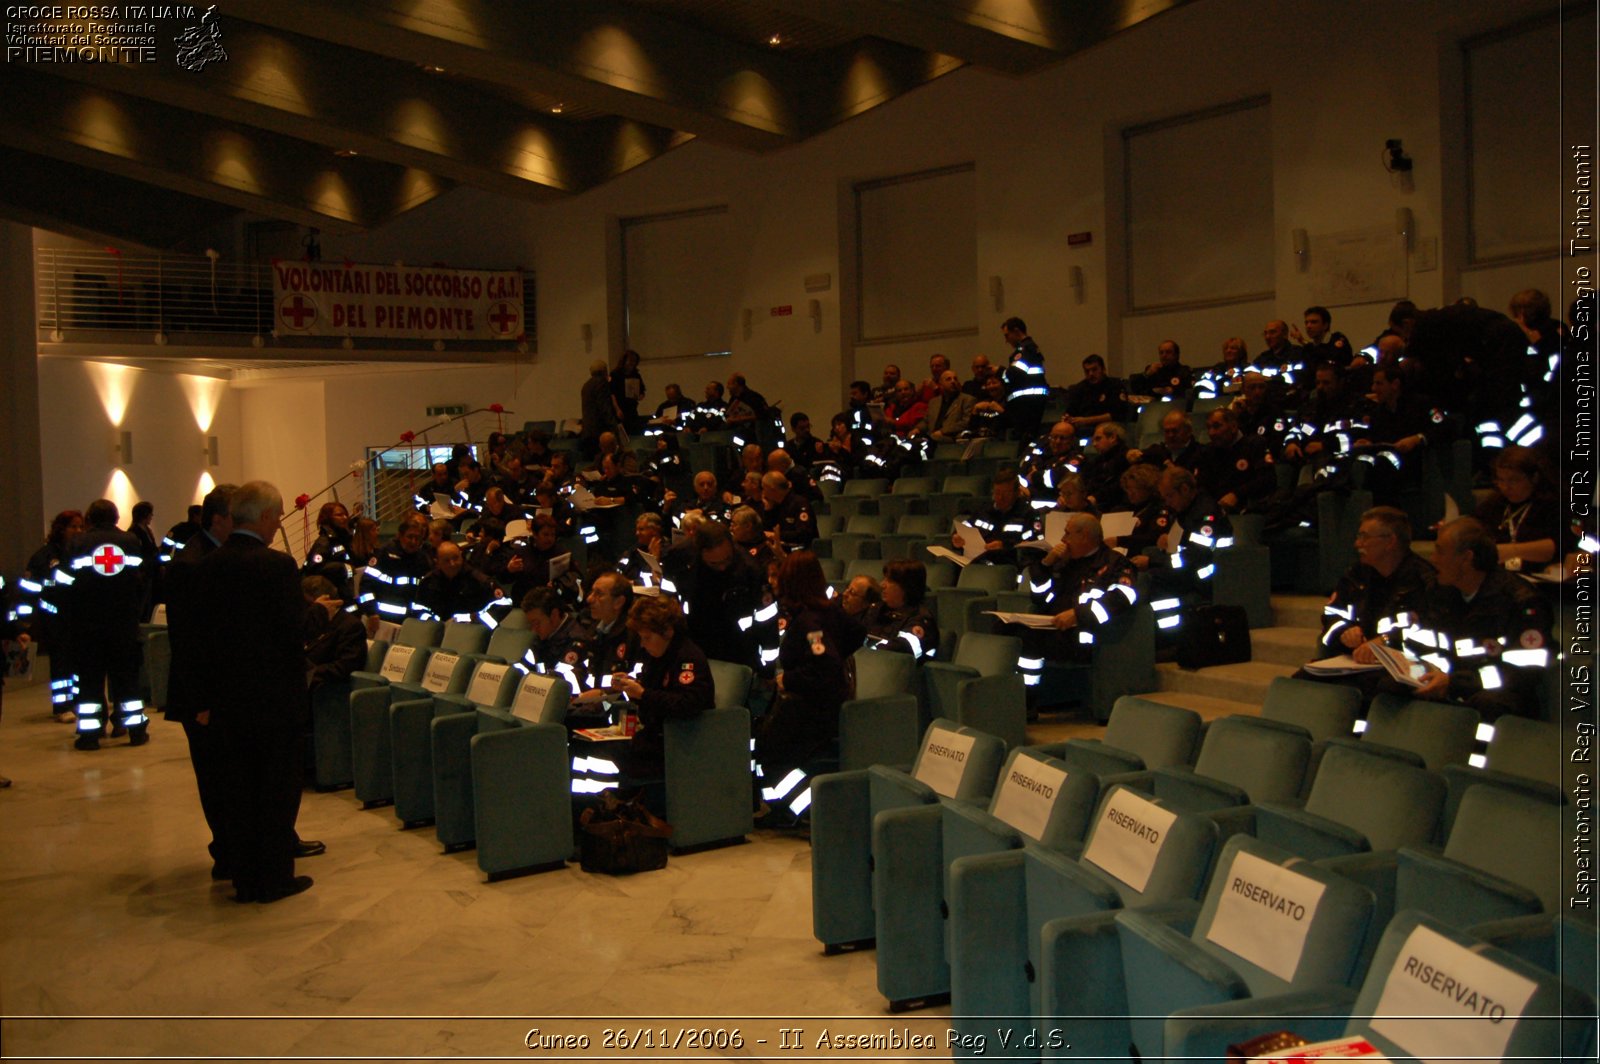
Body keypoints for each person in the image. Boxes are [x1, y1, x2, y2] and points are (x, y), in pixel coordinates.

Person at [191, 481, 316, 903]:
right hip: (273, 700)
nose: (278, 523)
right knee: (276, 792)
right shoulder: (277, 566)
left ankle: (245, 877)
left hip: (227, 701)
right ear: (264, 517)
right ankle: (275, 878)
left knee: (240, 791)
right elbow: (289, 633)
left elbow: (199, 640)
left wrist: (205, 700)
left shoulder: (208, 565)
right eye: (277, 516)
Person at [1392, 517, 1552, 721]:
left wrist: (1454, 682)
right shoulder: (1441, 592)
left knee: (1488, 704)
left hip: (1497, 698)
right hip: (1447, 683)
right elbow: (1420, 643)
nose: (1433, 558)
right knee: (1389, 686)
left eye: (1440, 551)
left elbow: (1522, 674)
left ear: (1466, 558)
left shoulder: (1521, 603)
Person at [753, 552, 866, 812]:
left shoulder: (811, 623)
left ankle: (816, 810)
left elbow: (823, 664)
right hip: (821, 704)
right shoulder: (828, 612)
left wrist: (788, 679)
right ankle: (781, 812)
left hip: (810, 709)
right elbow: (856, 633)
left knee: (769, 756)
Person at [164, 484, 239, 878]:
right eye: (236, 516)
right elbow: (189, 641)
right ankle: (225, 852)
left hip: (221, 691)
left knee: (232, 774)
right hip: (204, 696)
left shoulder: (218, 556)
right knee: (215, 777)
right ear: (218, 519)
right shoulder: (191, 564)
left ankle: (238, 846)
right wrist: (203, 701)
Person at [1294, 506, 1435, 702]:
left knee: (1372, 691)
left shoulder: (1424, 580)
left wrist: (1385, 641)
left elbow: (1431, 631)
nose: (1357, 543)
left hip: (1402, 666)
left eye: (1364, 537)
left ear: (1390, 541)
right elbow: (1331, 614)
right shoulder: (1355, 575)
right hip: (1355, 661)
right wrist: (1346, 630)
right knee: (1302, 680)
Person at [1013, 512, 1139, 689]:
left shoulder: (1116, 563)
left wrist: (1078, 615)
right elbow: (1040, 598)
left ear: (1085, 536)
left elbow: (1123, 597)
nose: (1063, 540)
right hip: (1054, 627)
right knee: (1005, 629)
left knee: (1027, 638)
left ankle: (1027, 696)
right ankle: (1009, 694)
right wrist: (1045, 565)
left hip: (1085, 634)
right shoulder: (1065, 562)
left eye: (1068, 534)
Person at [61, 499, 148, 750]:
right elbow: (141, 580)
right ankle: (135, 730)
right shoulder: (130, 541)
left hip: (88, 625)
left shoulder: (77, 543)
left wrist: (71, 616)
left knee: (89, 681)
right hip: (123, 624)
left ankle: (90, 735)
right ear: (116, 517)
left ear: (90, 518)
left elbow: (65, 583)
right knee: (126, 679)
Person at [606, 595, 713, 785]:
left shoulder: (688, 659)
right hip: (657, 733)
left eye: (647, 637)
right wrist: (632, 687)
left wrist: (643, 694)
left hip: (679, 740)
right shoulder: (657, 656)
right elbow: (652, 693)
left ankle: (621, 803)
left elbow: (687, 704)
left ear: (667, 632)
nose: (642, 644)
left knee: (609, 755)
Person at [19, 509, 84, 722]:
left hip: (76, 616)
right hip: (54, 618)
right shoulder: (44, 556)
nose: (77, 531)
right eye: (73, 527)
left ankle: (74, 701)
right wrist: (24, 625)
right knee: (60, 662)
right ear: (61, 529)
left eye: (80, 527)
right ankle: (61, 706)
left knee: (76, 663)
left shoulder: (79, 553)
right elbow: (29, 590)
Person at [1474, 446, 1562, 569]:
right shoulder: (1494, 504)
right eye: (1501, 480)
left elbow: (1558, 545)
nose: (1505, 487)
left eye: (1513, 480)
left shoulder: (1552, 506)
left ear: (1534, 478)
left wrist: (1511, 550)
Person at [866, 559, 938, 660]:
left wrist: (862, 653)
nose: (882, 585)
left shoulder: (921, 620)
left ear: (906, 586)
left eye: (890, 581)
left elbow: (901, 649)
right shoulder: (876, 609)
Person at [1000, 316, 1048, 440]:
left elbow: (1015, 373)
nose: (1006, 340)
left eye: (1007, 335)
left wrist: (1001, 372)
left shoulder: (1025, 349)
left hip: (1027, 404)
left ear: (1016, 331)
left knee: (1025, 438)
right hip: (1029, 403)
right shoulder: (1030, 348)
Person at [1062, 354, 1128, 435]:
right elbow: (1070, 411)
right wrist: (1067, 418)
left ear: (1103, 369)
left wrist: (1086, 420)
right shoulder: (1079, 388)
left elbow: (1117, 415)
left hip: (1108, 428)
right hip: (1081, 428)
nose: (1091, 374)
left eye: (1094, 370)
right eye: (1087, 371)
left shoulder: (1115, 385)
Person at [1080, 422, 1132, 512]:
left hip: (1117, 506)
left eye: (1098, 439)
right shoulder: (1097, 461)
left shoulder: (1126, 458)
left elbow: (1119, 486)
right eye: (1093, 441)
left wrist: (1096, 497)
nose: (1094, 444)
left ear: (1112, 437)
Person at [915, 370, 976, 440]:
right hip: (932, 437)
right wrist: (917, 429)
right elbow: (926, 421)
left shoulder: (967, 400)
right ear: (941, 384)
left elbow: (967, 422)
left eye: (955, 379)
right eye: (948, 379)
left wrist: (943, 431)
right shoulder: (934, 402)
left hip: (952, 438)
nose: (953, 382)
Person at [581, 358, 621, 457]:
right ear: (604, 371)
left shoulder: (586, 385)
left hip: (588, 432)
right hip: (600, 432)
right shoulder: (602, 383)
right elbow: (604, 408)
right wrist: (614, 428)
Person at [1129, 340, 1194, 399]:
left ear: (1176, 354)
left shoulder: (1184, 371)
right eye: (1161, 353)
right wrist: (1147, 374)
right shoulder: (1154, 370)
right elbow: (1135, 389)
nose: (1164, 355)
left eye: (1168, 352)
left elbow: (1189, 391)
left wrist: (1172, 390)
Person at [610, 348, 646, 435]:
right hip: (620, 408)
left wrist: (640, 395)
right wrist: (617, 409)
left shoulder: (636, 375)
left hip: (632, 408)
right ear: (624, 361)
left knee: (635, 431)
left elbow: (642, 391)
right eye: (630, 361)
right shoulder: (615, 375)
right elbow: (612, 394)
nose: (632, 364)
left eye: (634, 362)